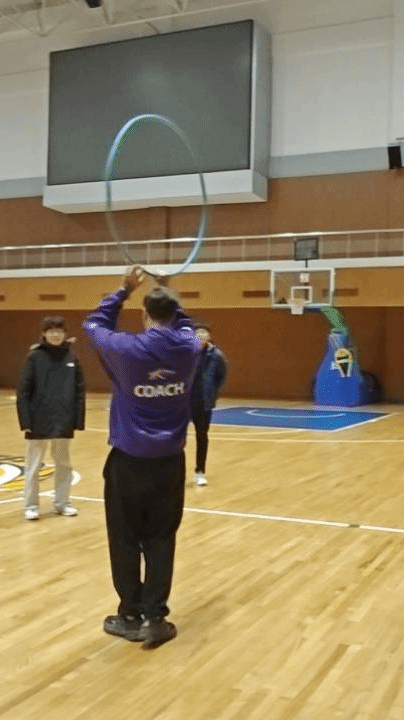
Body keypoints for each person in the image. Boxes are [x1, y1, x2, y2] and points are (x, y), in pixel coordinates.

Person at [84, 266, 200, 649]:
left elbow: (93, 324)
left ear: (146, 315)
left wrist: (123, 290)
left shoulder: (126, 350)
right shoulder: (190, 348)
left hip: (129, 462)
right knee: (161, 539)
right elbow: (185, 325)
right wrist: (166, 291)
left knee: (124, 538)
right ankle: (155, 618)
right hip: (169, 464)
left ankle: (130, 615)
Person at [16, 315, 86, 521]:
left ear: (65, 334)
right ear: (44, 334)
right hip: (38, 419)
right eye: (51, 331)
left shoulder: (71, 358)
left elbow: (79, 391)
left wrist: (78, 420)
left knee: (64, 464)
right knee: (34, 465)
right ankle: (31, 505)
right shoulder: (34, 357)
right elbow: (23, 391)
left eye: (59, 331)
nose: (56, 335)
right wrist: (25, 421)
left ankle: (63, 503)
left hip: (63, 420)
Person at [189, 320, 228, 487]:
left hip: (204, 403)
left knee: (202, 437)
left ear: (209, 336)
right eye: (198, 333)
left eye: (204, 332)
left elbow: (221, 376)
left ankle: (200, 472)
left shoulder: (216, 355)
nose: (201, 335)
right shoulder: (185, 353)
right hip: (184, 403)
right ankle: (174, 472)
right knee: (176, 438)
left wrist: (212, 393)